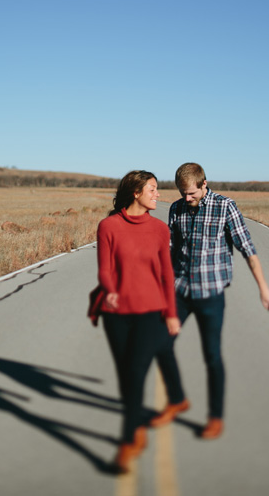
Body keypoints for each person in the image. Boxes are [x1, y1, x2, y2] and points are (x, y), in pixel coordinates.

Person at [151, 162, 269, 439]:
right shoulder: (176, 209)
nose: (186, 199)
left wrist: (263, 288)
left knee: (212, 356)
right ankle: (177, 400)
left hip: (210, 294)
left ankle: (215, 417)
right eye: (182, 193)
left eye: (191, 193)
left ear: (204, 184)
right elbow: (170, 252)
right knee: (160, 344)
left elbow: (248, 248)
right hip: (180, 291)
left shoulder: (225, 207)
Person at [93, 170, 181, 473]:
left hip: (150, 313)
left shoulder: (159, 229)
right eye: (153, 189)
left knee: (136, 372)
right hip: (115, 316)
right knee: (126, 378)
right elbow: (104, 268)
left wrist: (171, 313)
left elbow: (167, 275)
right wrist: (111, 290)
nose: (158, 195)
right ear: (136, 192)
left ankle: (128, 440)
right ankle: (136, 427)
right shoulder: (108, 226)